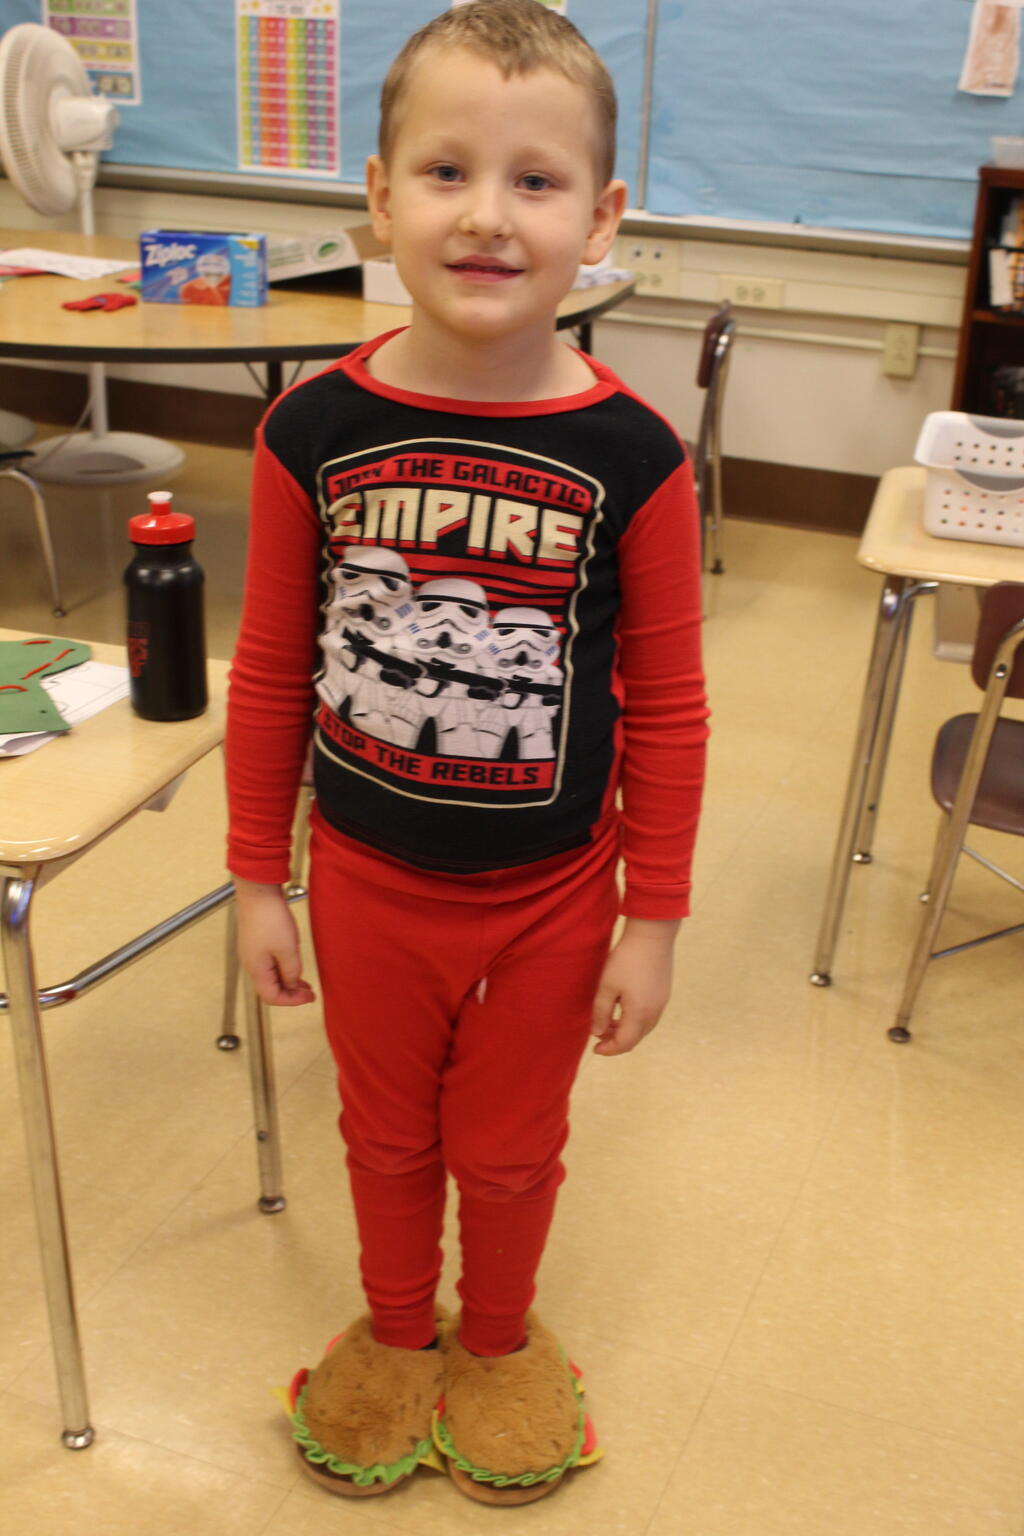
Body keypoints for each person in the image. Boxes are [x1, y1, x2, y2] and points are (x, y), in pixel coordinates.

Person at [226, 0, 708, 1507]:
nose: (488, 216)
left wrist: (653, 917)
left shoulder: (639, 457)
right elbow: (271, 672)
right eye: (446, 172)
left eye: (535, 181)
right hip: (366, 882)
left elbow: (671, 706)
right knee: (382, 1136)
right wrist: (257, 879)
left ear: (600, 219)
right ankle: (392, 1332)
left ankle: (495, 1340)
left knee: (506, 1149)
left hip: (552, 897)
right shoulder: (310, 428)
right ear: (379, 198)